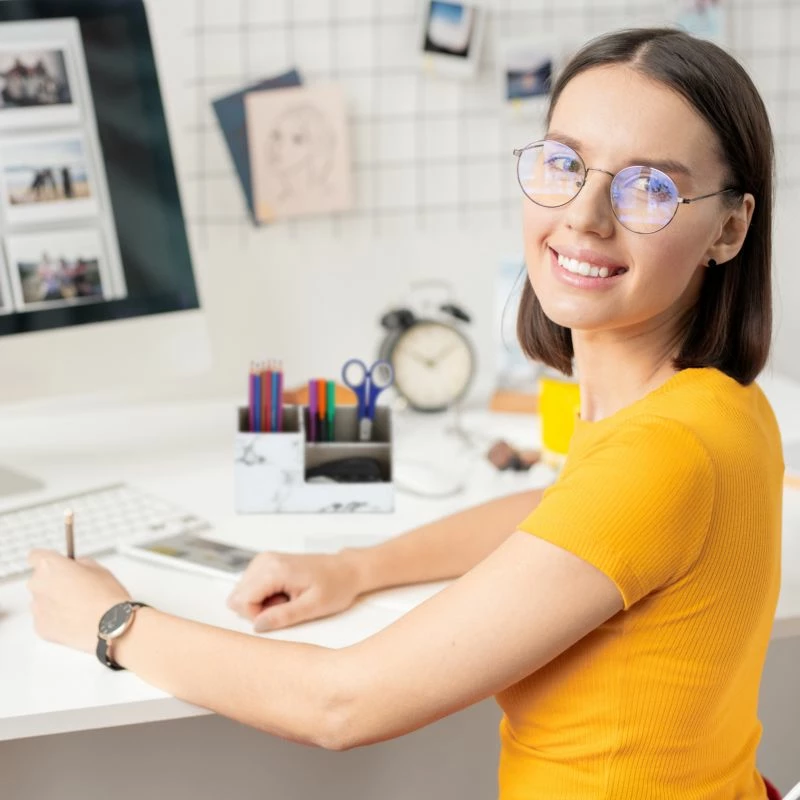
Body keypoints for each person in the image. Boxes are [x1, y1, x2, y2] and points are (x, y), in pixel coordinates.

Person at [27, 27, 780, 799]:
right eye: (565, 164)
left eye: (648, 187)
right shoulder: (718, 406)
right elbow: (564, 509)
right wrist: (358, 568)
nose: (586, 215)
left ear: (729, 227)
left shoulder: (664, 456)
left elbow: (343, 703)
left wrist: (111, 621)